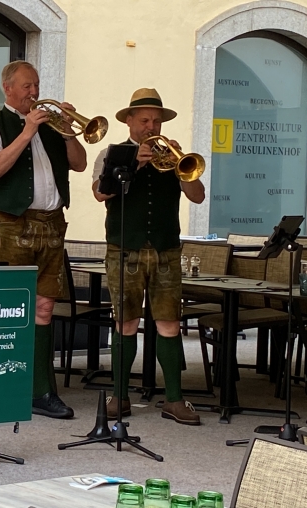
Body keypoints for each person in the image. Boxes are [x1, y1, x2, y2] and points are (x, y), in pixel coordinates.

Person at [0, 60, 87, 419]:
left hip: (52, 224)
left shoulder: (52, 125)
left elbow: (80, 164)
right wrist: (26, 132)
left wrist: (68, 132)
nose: (35, 92)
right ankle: (11, 385)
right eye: (27, 86)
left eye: (36, 85)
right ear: (8, 88)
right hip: (15, 224)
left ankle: (41, 389)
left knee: (44, 307)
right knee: (14, 307)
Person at [91, 88, 206, 425]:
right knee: (126, 321)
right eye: (144, 120)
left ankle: (174, 399)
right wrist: (135, 164)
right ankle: (119, 396)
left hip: (166, 249)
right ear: (129, 121)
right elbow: (100, 193)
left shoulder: (171, 156)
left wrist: (181, 167)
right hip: (125, 248)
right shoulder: (111, 154)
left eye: (156, 121)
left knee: (169, 322)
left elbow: (198, 196)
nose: (151, 126)